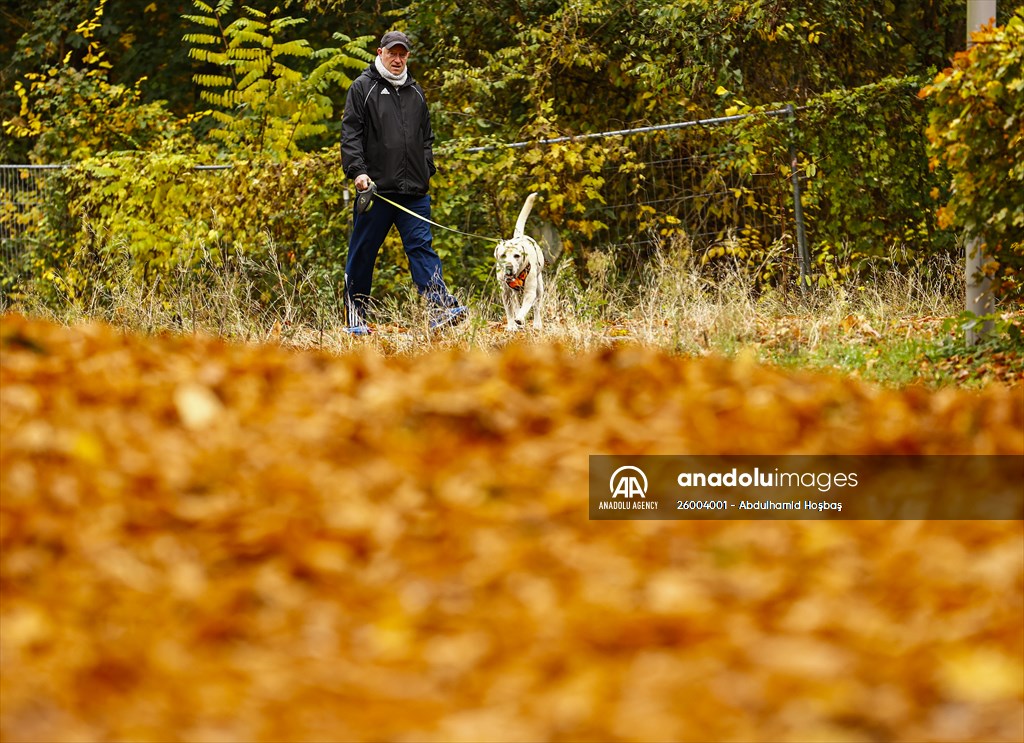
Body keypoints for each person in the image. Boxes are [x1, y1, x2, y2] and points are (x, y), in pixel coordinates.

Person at [340, 30, 466, 333]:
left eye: (403, 54)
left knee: (422, 249)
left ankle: (440, 309)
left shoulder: (415, 91)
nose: (397, 59)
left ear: (407, 56)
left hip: (414, 191)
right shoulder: (363, 88)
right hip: (377, 191)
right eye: (392, 53)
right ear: (380, 52)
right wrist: (358, 172)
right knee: (363, 253)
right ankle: (355, 319)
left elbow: (427, 137)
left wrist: (427, 167)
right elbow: (351, 134)